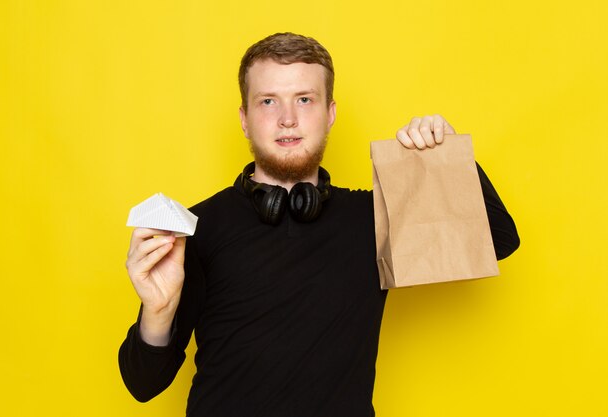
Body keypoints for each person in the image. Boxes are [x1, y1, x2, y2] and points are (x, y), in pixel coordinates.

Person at [119, 32, 520, 417]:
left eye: (305, 99)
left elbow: (499, 240)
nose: (288, 119)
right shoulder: (198, 226)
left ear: (330, 114)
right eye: (269, 102)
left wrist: (447, 156)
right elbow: (143, 384)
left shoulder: (374, 218)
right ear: (244, 118)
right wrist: (158, 310)